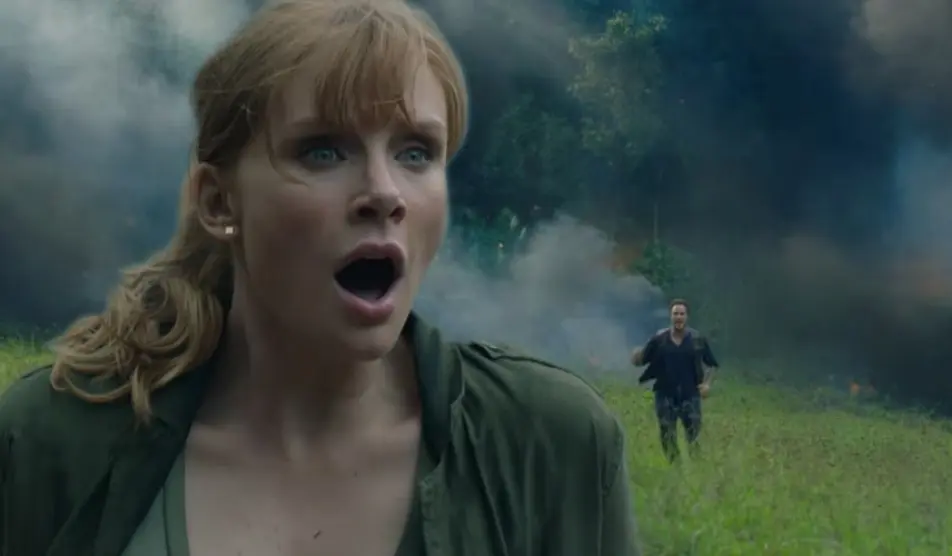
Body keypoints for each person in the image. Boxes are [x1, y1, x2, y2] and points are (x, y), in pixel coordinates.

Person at [0, 1, 640, 554]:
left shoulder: (551, 447)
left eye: (416, 152)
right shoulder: (51, 443)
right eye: (323, 150)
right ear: (219, 202)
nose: (384, 192)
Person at [631, 298, 719, 462]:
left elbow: (712, 365)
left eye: (682, 314)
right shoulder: (659, 339)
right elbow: (642, 359)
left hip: (690, 394)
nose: (678, 317)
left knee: (693, 434)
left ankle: (697, 467)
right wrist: (636, 357)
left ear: (687, 316)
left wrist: (707, 384)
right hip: (665, 394)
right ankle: (675, 466)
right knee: (667, 434)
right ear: (670, 316)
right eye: (675, 314)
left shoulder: (697, 339)